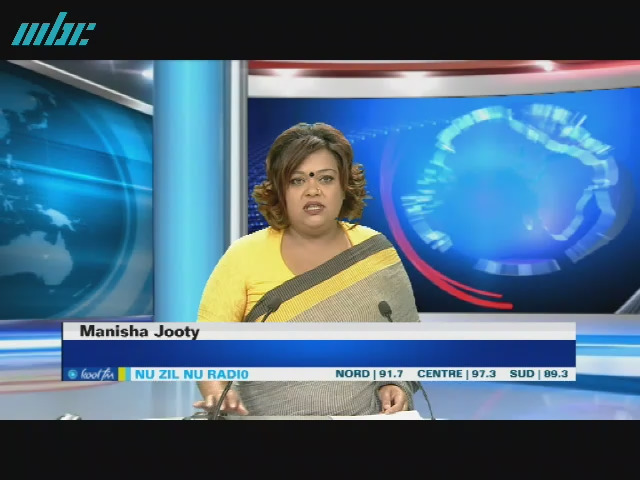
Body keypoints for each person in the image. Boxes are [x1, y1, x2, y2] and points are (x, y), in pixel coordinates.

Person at [194, 122, 420, 417]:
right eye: (297, 181)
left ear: (344, 187)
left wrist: (396, 383)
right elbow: (207, 347)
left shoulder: (376, 252)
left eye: (326, 179)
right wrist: (218, 396)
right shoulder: (243, 256)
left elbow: (408, 345)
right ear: (280, 191)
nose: (313, 190)